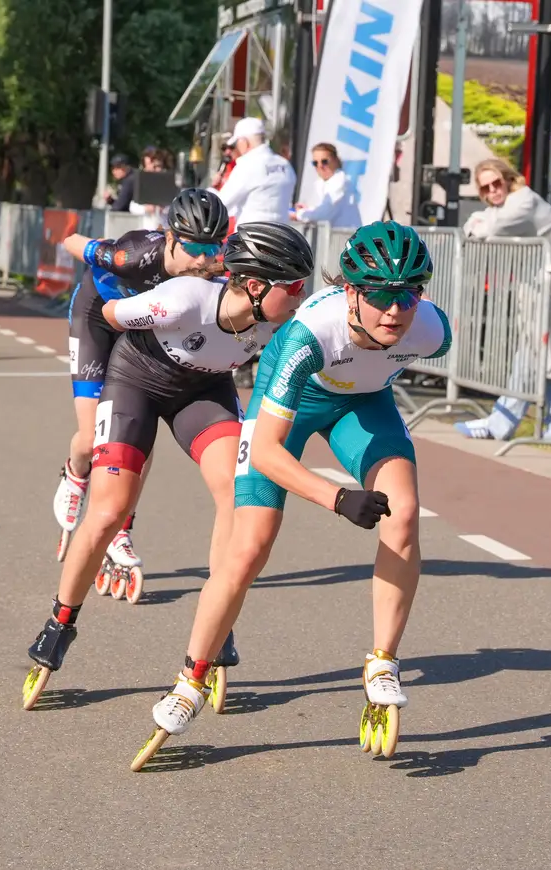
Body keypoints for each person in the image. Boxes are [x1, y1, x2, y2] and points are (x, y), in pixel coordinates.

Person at [130, 221, 451, 771]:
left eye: (409, 294)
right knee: (249, 548)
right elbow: (267, 453)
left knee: (404, 514)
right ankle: (190, 681)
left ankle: (382, 662)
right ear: (351, 292)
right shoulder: (309, 335)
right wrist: (338, 498)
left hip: (363, 406)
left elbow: (401, 339)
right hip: (291, 406)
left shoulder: (431, 329)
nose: (395, 311)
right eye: (380, 295)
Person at [23, 221, 315, 710]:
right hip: (135, 383)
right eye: (295, 286)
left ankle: (218, 616)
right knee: (109, 512)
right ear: (256, 286)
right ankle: (60, 622)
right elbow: (108, 313)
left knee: (234, 493)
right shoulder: (180, 300)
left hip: (203, 393)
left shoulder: (279, 320)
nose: (301, 296)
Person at [51, 189, 230, 579]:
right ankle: (76, 472)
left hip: (143, 328)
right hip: (97, 316)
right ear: (170, 237)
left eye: (212, 248)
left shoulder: (215, 266)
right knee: (90, 439)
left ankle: (121, 530)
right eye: (193, 248)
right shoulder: (132, 255)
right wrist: (71, 238)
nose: (203, 260)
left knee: (135, 435)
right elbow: (74, 243)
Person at [455, 157, 551, 444]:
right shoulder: (506, 205)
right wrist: (480, 222)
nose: (493, 191)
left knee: (540, 349)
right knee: (546, 352)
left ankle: (503, 423)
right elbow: (474, 223)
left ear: (508, 179)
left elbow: (490, 228)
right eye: (486, 188)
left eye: (497, 183)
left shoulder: (523, 201)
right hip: (543, 275)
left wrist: (481, 223)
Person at [210, 117, 296, 227]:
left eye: (236, 143)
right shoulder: (285, 165)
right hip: (282, 234)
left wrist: (212, 190)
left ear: (244, 142)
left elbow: (221, 204)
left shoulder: (247, 165)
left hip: (251, 234)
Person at [293, 142, 362, 229]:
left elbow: (324, 214)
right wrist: (308, 210)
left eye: (324, 161)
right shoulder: (323, 183)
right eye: (315, 163)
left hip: (347, 236)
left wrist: (298, 214)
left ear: (336, 160)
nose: (320, 166)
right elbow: (325, 208)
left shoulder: (339, 182)